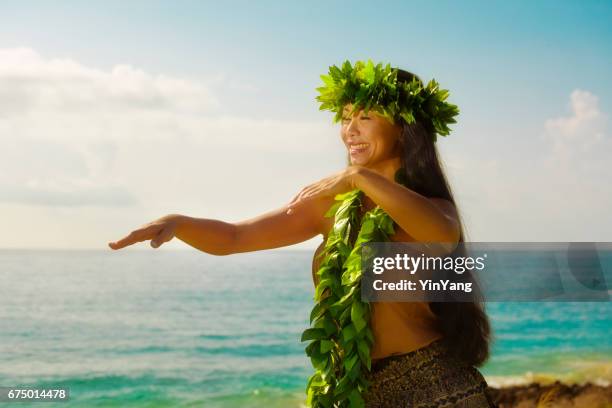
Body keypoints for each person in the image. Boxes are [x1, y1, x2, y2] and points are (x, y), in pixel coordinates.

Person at [109, 60, 497, 407]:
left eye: (365, 117)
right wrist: (178, 222)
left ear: (403, 126)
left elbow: (442, 235)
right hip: (358, 392)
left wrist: (356, 176)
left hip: (436, 388)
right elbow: (235, 238)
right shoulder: (331, 208)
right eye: (345, 118)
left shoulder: (431, 207)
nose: (350, 130)